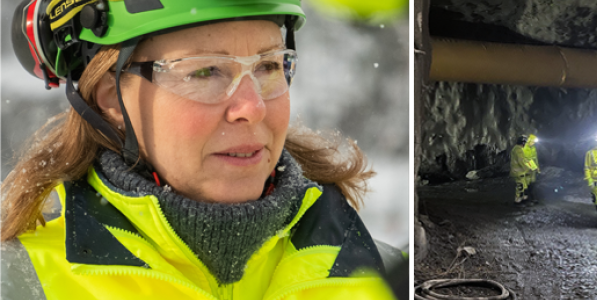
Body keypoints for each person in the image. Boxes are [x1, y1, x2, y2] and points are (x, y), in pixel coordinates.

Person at [2, 1, 402, 299]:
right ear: (110, 96)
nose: (252, 107)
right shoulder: (22, 283)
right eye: (205, 71)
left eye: (268, 66)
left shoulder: (383, 276)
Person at [510, 135, 537, 203]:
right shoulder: (518, 150)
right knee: (520, 186)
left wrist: (533, 167)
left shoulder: (519, 149)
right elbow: (522, 161)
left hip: (521, 171)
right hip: (518, 171)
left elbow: (526, 159)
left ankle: (524, 199)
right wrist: (529, 168)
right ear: (523, 142)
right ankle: (517, 201)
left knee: (524, 186)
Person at [523, 134, 540, 201]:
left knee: (532, 184)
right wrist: (533, 167)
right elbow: (526, 159)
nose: (533, 143)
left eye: (534, 142)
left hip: (532, 170)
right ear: (529, 141)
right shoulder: (524, 148)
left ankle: (532, 198)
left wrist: (537, 167)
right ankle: (525, 200)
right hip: (526, 170)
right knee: (525, 186)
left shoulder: (533, 148)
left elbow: (535, 159)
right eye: (532, 142)